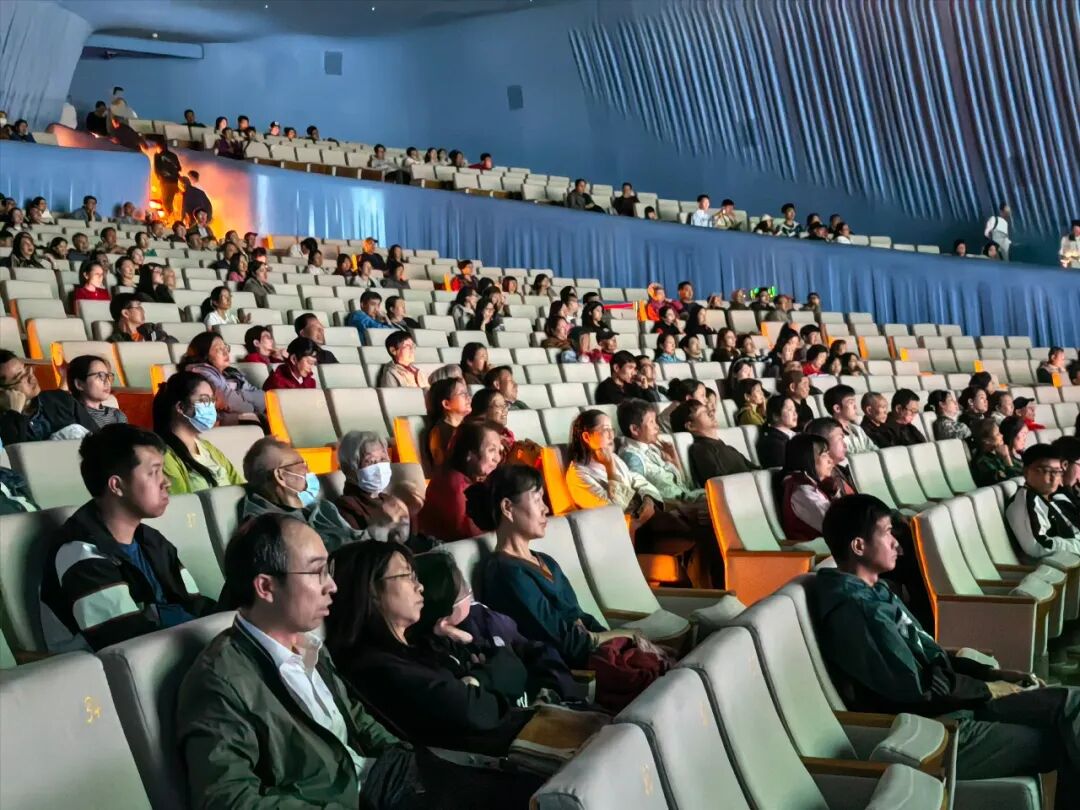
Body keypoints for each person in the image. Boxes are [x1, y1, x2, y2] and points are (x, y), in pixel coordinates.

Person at [181, 513, 502, 810]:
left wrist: (407, 758)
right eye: (317, 571)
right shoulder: (220, 680)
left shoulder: (309, 645)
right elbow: (228, 799)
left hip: (389, 778)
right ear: (266, 587)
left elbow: (355, 718)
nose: (331, 586)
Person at [812, 494, 1080, 800]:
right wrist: (987, 689)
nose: (898, 545)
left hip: (958, 702)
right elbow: (917, 688)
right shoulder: (855, 610)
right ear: (859, 546)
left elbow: (930, 656)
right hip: (941, 727)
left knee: (1073, 704)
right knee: (1066, 738)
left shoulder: (876, 592)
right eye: (887, 533)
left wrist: (991, 675)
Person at [324, 542, 539, 760]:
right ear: (371, 589)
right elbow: (476, 712)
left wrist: (476, 682)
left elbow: (513, 667)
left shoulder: (424, 643)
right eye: (407, 576)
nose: (420, 587)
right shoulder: (376, 668)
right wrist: (482, 683)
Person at [40, 425, 216, 651]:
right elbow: (127, 644)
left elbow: (196, 606)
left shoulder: (151, 540)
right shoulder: (81, 554)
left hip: (174, 651)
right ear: (117, 485)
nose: (166, 482)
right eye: (154, 472)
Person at [471, 464, 648, 668]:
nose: (545, 508)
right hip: (572, 672)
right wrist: (628, 635)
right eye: (537, 499)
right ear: (508, 508)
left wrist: (622, 643)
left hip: (597, 656)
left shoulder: (546, 561)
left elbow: (581, 618)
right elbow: (567, 643)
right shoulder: (505, 573)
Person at [565, 409, 712, 587]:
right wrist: (610, 469)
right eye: (605, 430)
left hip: (648, 517)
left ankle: (704, 590)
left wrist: (648, 498)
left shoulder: (614, 458)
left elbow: (639, 481)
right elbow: (614, 510)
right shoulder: (578, 475)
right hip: (630, 532)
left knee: (705, 530)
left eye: (612, 429)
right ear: (587, 437)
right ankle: (699, 592)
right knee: (695, 538)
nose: (611, 435)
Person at [240, 437, 360, 551]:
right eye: (301, 464)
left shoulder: (322, 508)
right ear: (280, 476)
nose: (309, 471)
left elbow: (357, 539)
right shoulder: (269, 530)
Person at [153, 371, 244, 494]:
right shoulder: (165, 457)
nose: (211, 407)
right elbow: (183, 502)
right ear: (180, 407)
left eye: (212, 400)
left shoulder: (207, 448)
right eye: (204, 400)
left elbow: (240, 486)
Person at [416, 420, 503, 541]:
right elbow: (468, 536)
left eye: (499, 451)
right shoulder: (454, 485)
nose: (497, 459)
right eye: (491, 450)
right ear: (469, 454)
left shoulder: (475, 480)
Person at [334, 431, 426, 544]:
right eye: (370, 461)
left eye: (382, 459)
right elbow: (360, 549)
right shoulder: (346, 506)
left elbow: (413, 541)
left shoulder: (390, 499)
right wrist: (385, 525)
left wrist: (412, 514)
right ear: (348, 470)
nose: (379, 467)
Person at [0, 350, 96, 444]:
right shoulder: (4, 425)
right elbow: (15, 452)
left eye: (27, 369)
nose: (31, 377)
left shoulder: (62, 399)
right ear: (2, 391)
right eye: (20, 377)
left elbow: (98, 438)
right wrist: (14, 414)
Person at [617, 399, 703, 502]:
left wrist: (673, 458)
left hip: (688, 497)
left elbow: (683, 485)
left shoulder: (652, 447)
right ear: (635, 429)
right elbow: (642, 500)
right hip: (679, 507)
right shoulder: (632, 458)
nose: (657, 427)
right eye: (651, 422)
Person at [1006, 444, 1080, 562]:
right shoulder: (1026, 502)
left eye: (1057, 471)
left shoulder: (1057, 498)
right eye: (1047, 471)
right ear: (1026, 472)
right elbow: (1038, 546)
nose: (1054, 478)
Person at [780, 433, 852, 544]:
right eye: (824, 455)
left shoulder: (816, 486)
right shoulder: (803, 492)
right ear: (806, 459)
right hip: (820, 551)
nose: (830, 460)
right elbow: (839, 528)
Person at [179, 333, 266, 424]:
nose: (226, 352)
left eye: (225, 347)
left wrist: (240, 395)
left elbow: (264, 398)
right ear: (204, 354)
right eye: (219, 349)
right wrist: (252, 406)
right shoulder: (200, 372)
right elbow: (232, 402)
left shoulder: (232, 372)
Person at [672, 399, 754, 487]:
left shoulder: (729, 448)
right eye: (703, 412)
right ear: (691, 426)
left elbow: (755, 471)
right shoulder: (701, 450)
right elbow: (719, 484)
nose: (711, 413)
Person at [423, 377, 471, 472]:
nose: (468, 397)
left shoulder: (468, 426)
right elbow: (444, 467)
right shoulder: (439, 432)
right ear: (446, 404)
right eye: (462, 394)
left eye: (467, 393)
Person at [67, 355, 127, 430]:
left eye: (108, 376)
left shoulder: (117, 414)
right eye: (100, 376)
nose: (107, 382)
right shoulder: (70, 416)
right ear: (79, 384)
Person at [823, 385, 878, 456]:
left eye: (855, 403)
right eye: (851, 403)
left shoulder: (858, 429)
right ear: (837, 408)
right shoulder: (831, 434)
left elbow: (874, 450)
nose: (855, 407)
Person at [969, 418, 1023, 488]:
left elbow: (1024, 473)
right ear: (986, 440)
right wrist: (1006, 459)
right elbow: (1013, 484)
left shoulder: (999, 453)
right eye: (997, 434)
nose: (1002, 435)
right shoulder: (982, 462)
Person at [756, 394, 801, 469]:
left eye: (795, 410)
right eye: (790, 410)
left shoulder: (795, 435)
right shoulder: (773, 443)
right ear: (776, 416)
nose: (795, 414)